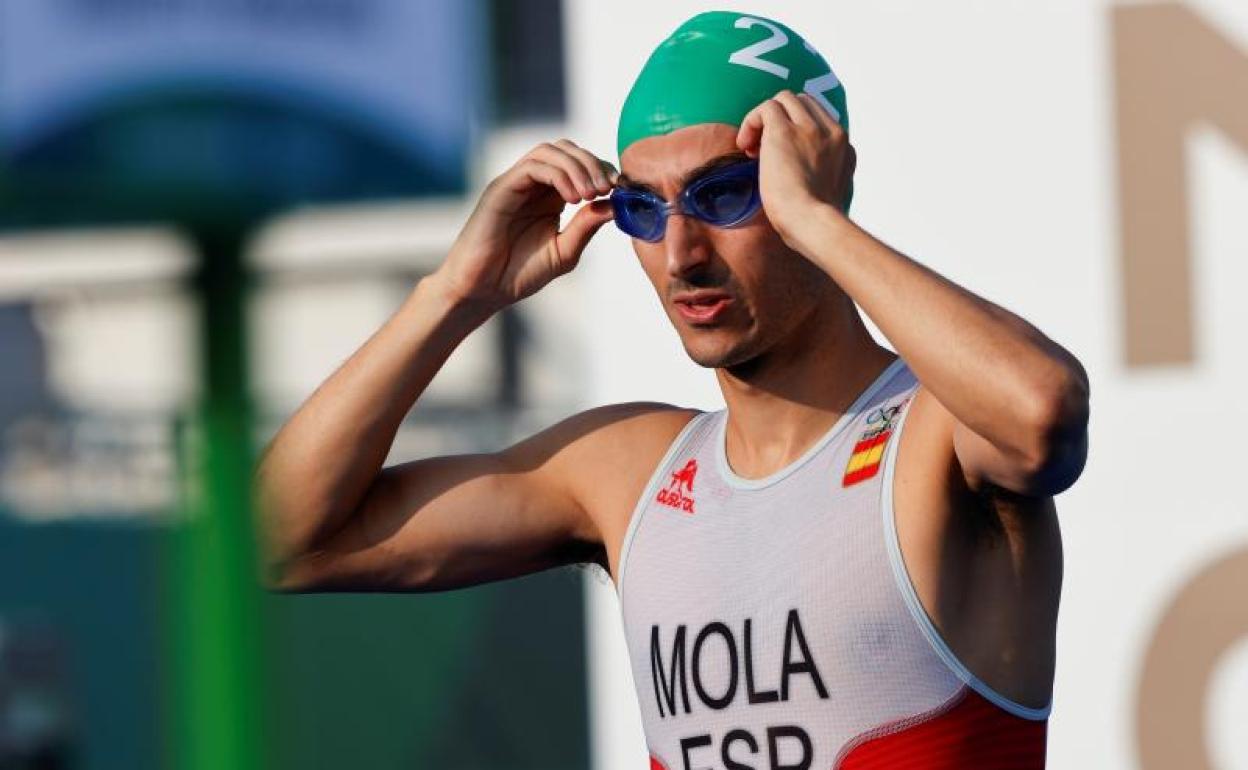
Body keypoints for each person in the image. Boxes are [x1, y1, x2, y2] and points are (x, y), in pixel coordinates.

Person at [253, 10, 1088, 769]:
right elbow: (285, 539)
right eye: (643, 211)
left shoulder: (937, 433)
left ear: (814, 185)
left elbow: (1041, 411)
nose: (681, 252)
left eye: (726, 194)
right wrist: (454, 296)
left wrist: (821, 223)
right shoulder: (628, 473)